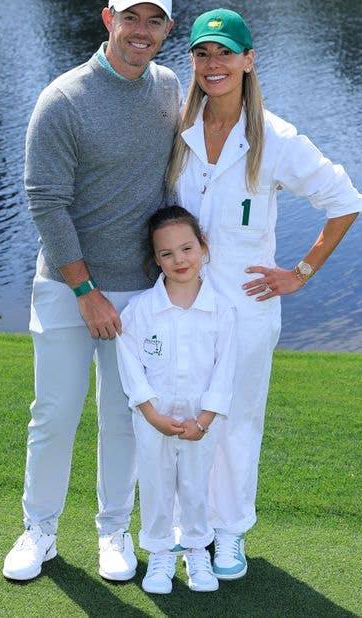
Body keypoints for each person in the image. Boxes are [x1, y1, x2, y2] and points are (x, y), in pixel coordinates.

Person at [166, 8, 362, 580]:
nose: (213, 64)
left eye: (225, 53)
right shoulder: (174, 131)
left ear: (249, 61)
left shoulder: (275, 139)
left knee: (236, 425)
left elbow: (345, 199)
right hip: (182, 310)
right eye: (202, 53)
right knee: (182, 418)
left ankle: (229, 535)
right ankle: (187, 532)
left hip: (248, 312)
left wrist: (300, 272)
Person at [2, 0, 180, 582]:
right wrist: (85, 291)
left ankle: (113, 532)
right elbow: (45, 201)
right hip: (66, 286)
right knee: (54, 411)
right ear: (109, 19)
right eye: (132, 18)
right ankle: (40, 530)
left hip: (139, 289)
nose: (142, 31)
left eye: (154, 21)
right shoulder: (64, 99)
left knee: (124, 416)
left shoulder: (168, 89)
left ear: (167, 31)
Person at [116, 206, 236, 594]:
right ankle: (160, 553)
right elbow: (131, 365)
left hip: (202, 422)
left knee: (197, 486)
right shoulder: (140, 311)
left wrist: (204, 419)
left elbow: (225, 370)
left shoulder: (221, 310)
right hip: (154, 420)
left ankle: (197, 549)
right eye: (166, 254)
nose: (179, 260)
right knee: (154, 483)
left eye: (187, 248)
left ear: (203, 247)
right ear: (155, 260)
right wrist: (151, 413)